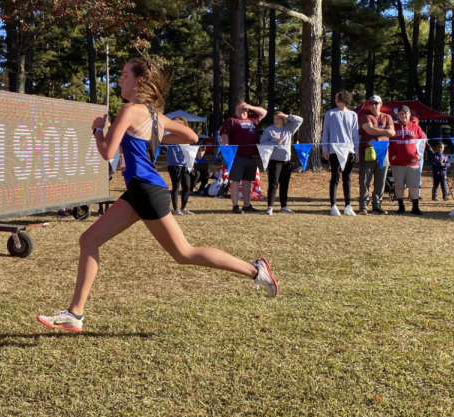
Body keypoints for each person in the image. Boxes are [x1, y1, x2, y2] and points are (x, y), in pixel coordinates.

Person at [37, 58, 277, 332]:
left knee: (184, 253)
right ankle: (75, 314)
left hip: (146, 190)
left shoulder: (129, 111)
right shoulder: (154, 116)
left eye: (125, 74)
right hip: (139, 190)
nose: (120, 79)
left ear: (138, 81)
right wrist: (160, 134)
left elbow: (106, 152)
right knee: (89, 239)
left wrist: (97, 129)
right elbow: (191, 136)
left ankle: (255, 270)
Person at [220, 101, 267, 214]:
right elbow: (224, 135)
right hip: (237, 156)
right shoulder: (231, 120)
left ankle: (247, 205)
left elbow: (264, 112)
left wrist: (250, 107)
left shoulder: (252, 118)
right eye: (239, 109)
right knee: (235, 180)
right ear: (235, 110)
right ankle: (235, 206)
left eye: (244, 109)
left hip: (251, 156)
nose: (241, 111)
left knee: (248, 181)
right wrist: (226, 150)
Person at [321, 90, 359, 216]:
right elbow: (325, 132)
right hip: (334, 150)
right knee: (335, 177)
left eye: (337, 97)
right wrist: (325, 149)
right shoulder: (330, 114)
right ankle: (333, 206)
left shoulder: (353, 115)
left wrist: (356, 150)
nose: (335, 100)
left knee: (347, 178)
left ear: (344, 99)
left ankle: (348, 205)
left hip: (349, 150)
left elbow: (355, 134)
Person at [260, 111, 303, 215]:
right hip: (274, 161)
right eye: (275, 119)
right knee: (273, 184)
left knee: (284, 185)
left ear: (283, 120)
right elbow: (262, 142)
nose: (276, 121)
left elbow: (300, 120)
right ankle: (270, 207)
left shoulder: (288, 128)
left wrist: (287, 116)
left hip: (287, 162)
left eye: (279, 118)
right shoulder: (269, 130)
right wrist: (274, 142)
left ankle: (284, 206)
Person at [357, 95, 394, 215]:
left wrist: (378, 136)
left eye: (376, 103)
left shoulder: (387, 117)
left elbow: (392, 133)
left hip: (383, 152)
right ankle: (363, 206)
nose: (374, 105)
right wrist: (385, 132)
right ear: (369, 104)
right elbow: (369, 130)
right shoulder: (364, 117)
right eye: (372, 103)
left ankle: (377, 205)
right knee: (364, 180)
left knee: (381, 180)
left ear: (381, 104)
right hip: (367, 152)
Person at [388, 105, 426, 215]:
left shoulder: (416, 127)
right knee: (399, 185)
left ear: (409, 114)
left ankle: (415, 207)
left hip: (412, 162)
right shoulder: (393, 127)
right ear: (397, 115)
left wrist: (419, 155)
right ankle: (401, 207)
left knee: (414, 185)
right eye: (400, 113)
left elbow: (422, 141)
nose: (403, 115)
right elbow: (388, 143)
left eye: (405, 113)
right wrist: (392, 156)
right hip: (397, 162)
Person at [166, 117, 194, 216]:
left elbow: (189, 152)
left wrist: (191, 163)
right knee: (176, 186)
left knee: (187, 186)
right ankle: (176, 209)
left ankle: (184, 208)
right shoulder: (169, 136)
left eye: (182, 125)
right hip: (173, 163)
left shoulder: (187, 138)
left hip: (185, 164)